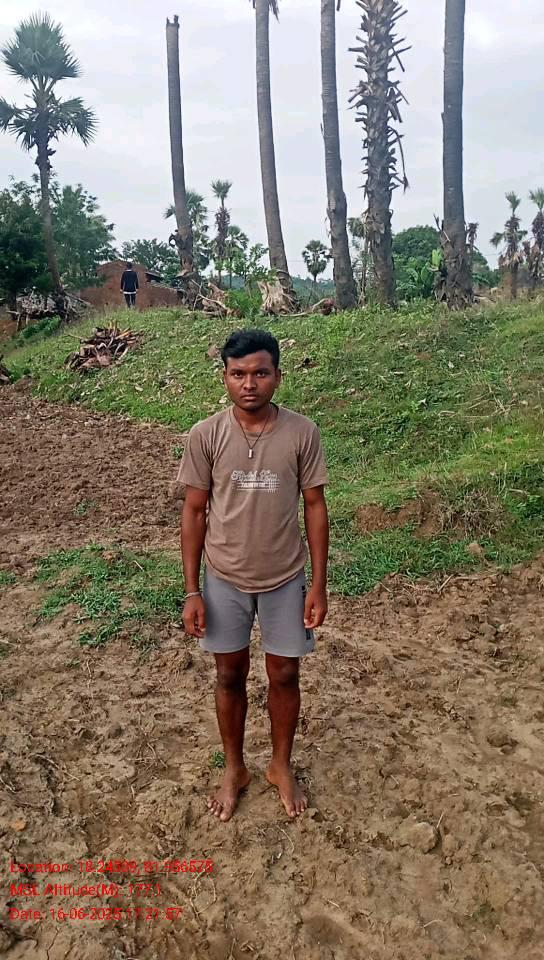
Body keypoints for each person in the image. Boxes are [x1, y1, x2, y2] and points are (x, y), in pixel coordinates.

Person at [178, 329, 329, 822]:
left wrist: (319, 585)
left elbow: (314, 506)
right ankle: (235, 768)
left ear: (277, 376)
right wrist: (192, 590)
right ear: (224, 377)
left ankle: (280, 765)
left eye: (260, 373)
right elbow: (194, 512)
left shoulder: (302, 432)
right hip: (224, 578)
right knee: (229, 674)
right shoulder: (205, 435)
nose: (249, 384)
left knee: (285, 673)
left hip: (285, 577)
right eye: (238, 374)